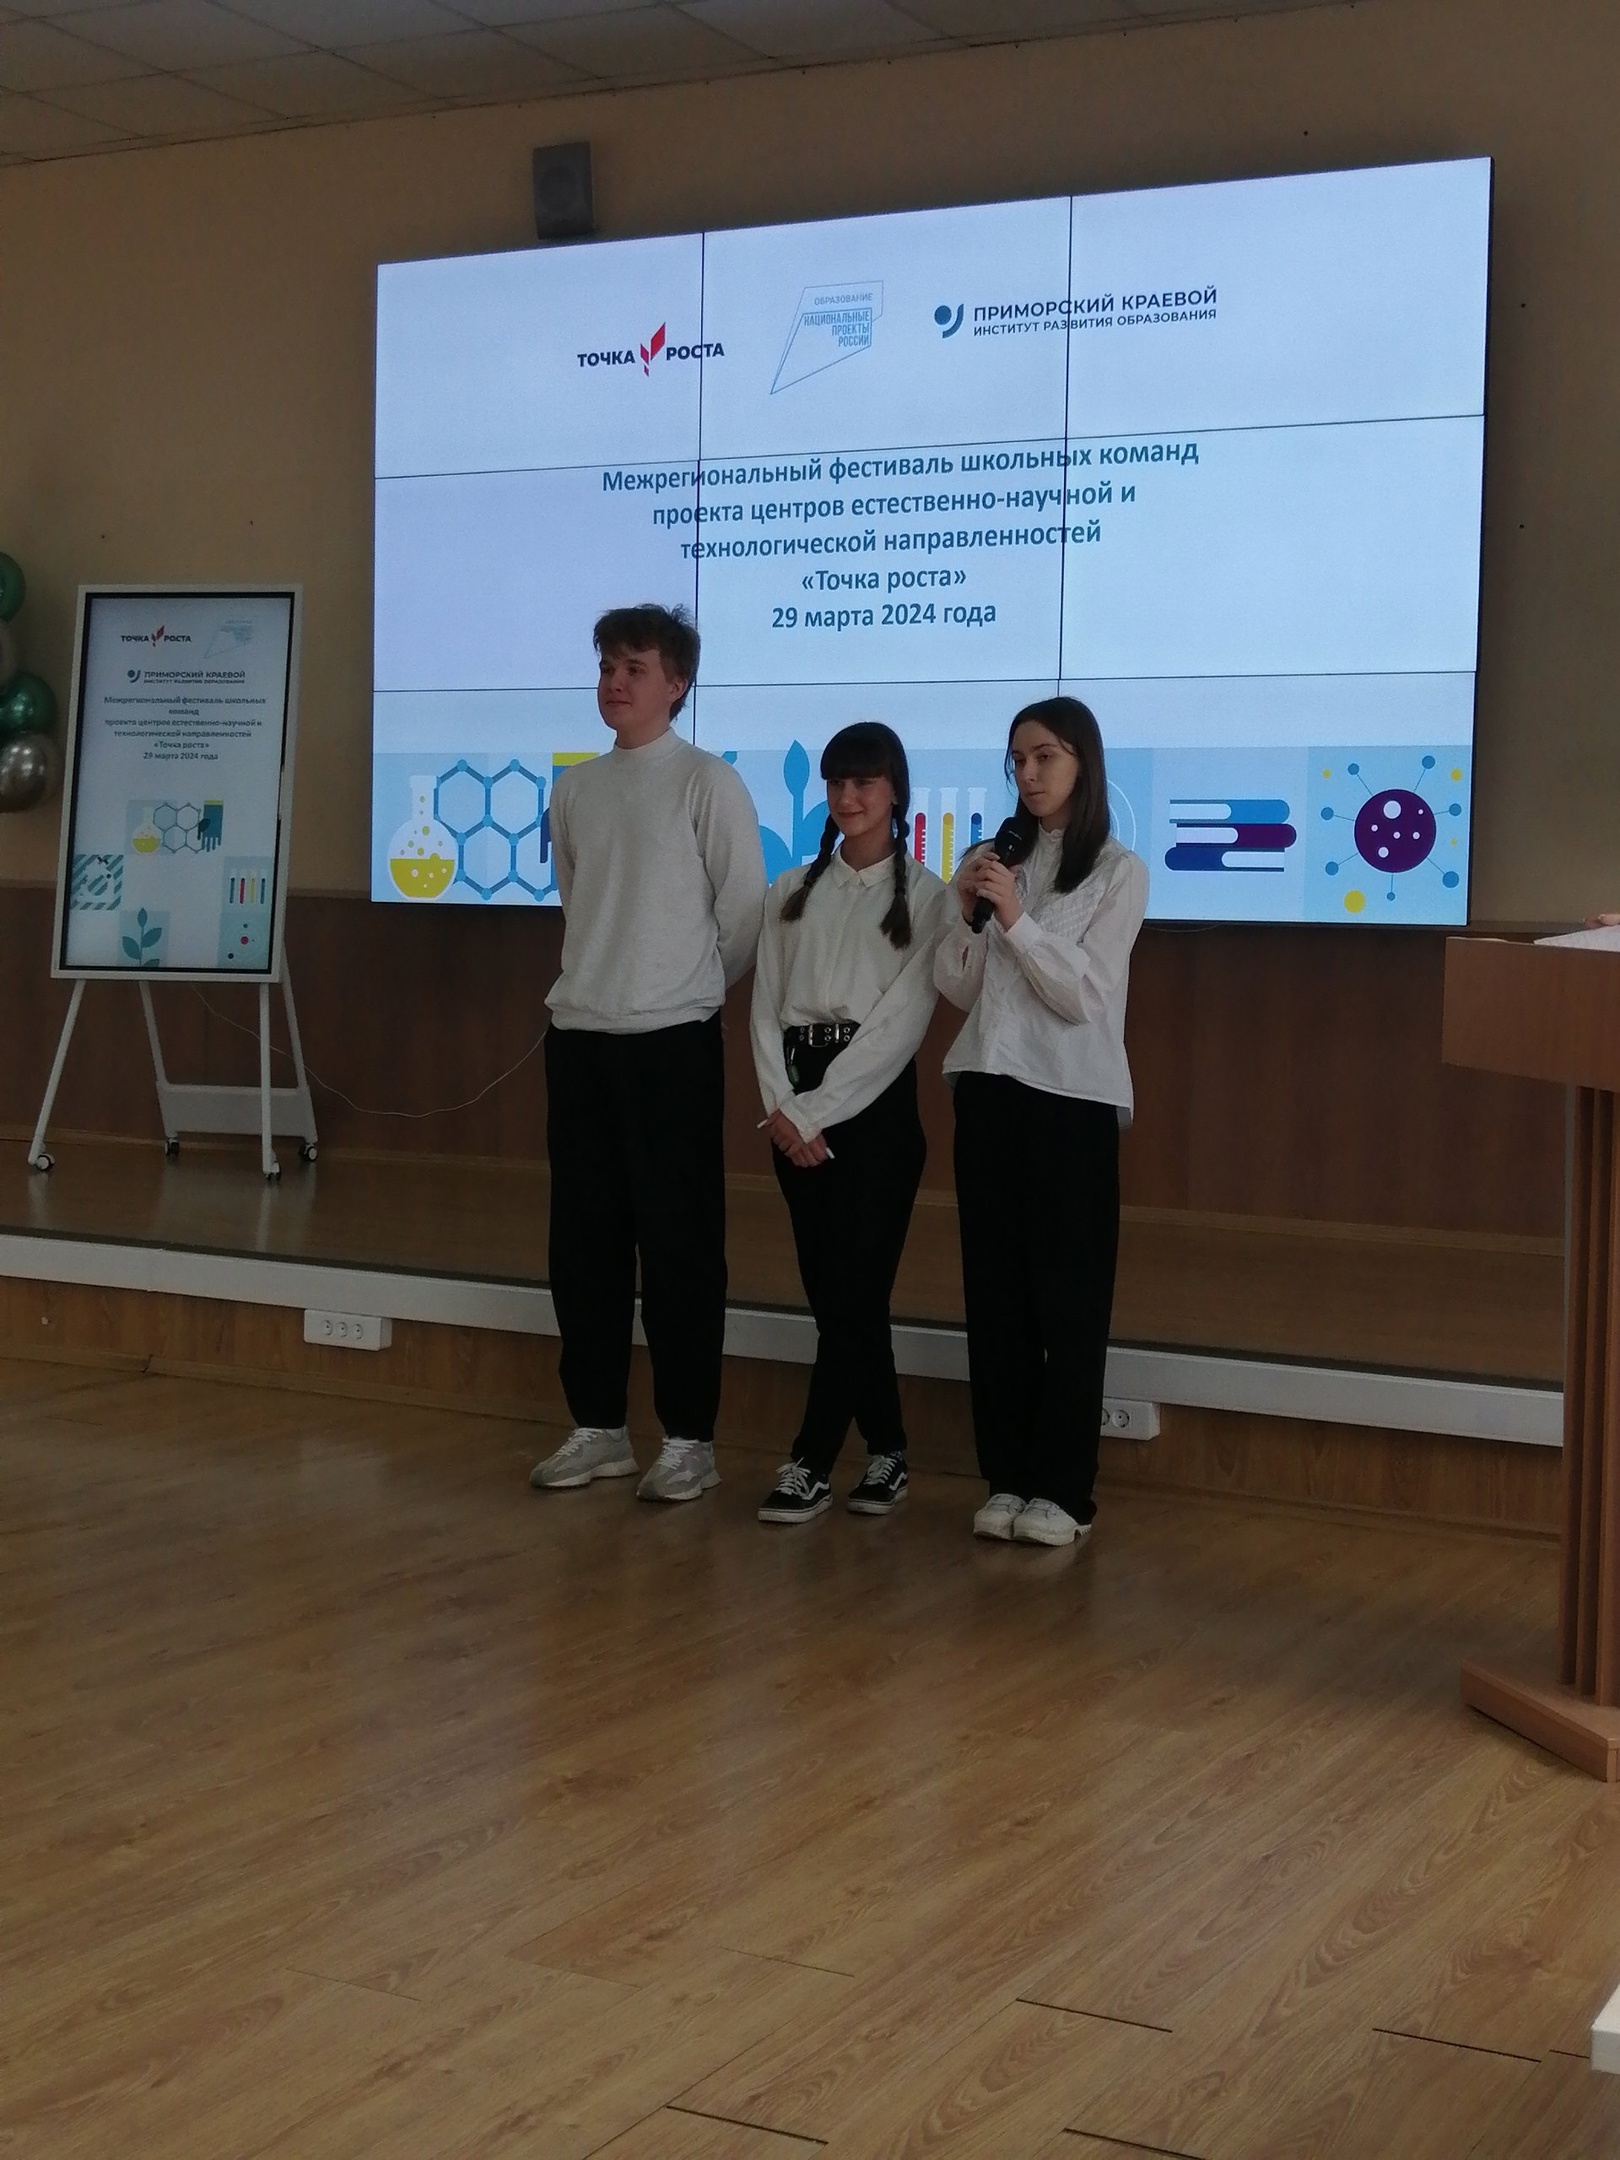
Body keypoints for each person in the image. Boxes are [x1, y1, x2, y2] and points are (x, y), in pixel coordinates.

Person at [530, 603, 766, 1503]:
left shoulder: (708, 781)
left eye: (634, 668)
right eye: (606, 667)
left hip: (672, 1042)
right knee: (583, 1244)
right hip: (580, 1037)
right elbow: (578, 899)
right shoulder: (576, 788)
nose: (614, 683)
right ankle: (598, 1426)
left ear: (676, 684)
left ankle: (689, 1439)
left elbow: (741, 915)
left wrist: (686, 989)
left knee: (679, 1247)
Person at [935, 695, 1148, 1549]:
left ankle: (1065, 1490)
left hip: (1070, 1099)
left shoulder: (1118, 871)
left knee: (1070, 1300)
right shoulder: (994, 860)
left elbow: (1081, 996)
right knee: (996, 1298)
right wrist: (965, 912)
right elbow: (958, 988)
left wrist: (1018, 923)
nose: (1028, 774)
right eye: (1017, 759)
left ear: (1082, 764)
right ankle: (1008, 1477)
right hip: (988, 1090)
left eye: (1045, 757)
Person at [750, 722, 952, 1525]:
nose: (847, 797)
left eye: (864, 782)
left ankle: (809, 1460)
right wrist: (782, 1106)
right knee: (842, 1301)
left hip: (872, 1114)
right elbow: (764, 1008)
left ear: (895, 791)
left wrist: (814, 1110)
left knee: (854, 1291)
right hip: (793, 1107)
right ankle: (889, 1449)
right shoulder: (789, 890)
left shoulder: (930, 896)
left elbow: (900, 1027)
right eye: (836, 783)